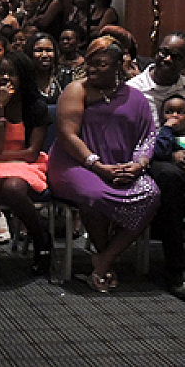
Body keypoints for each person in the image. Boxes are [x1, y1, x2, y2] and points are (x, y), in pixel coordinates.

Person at [49, 36, 160, 291]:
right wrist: (97, 165)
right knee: (94, 195)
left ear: (118, 65)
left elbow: (148, 136)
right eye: (90, 63)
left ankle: (105, 258)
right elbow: (67, 135)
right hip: (74, 164)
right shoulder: (76, 90)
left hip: (120, 166)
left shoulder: (135, 97)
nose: (93, 69)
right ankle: (105, 260)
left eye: (101, 64)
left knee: (151, 194)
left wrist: (139, 164)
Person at [0, 51, 52, 286]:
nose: (5, 78)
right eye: (2, 73)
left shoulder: (36, 106)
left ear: (23, 77)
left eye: (12, 74)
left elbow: (31, 153)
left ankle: (40, 239)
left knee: (13, 188)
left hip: (26, 165)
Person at [128, 32, 185, 299]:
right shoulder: (135, 89)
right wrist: (170, 153)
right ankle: (176, 270)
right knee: (171, 178)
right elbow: (133, 137)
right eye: (164, 52)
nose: (167, 59)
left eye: (176, 56)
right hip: (147, 159)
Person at [25, 32, 68, 104]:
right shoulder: (24, 80)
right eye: (38, 50)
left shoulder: (64, 76)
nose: (44, 55)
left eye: (49, 50)